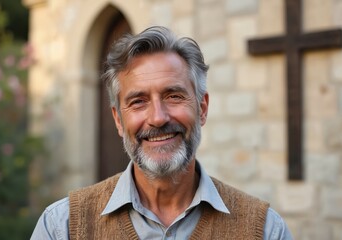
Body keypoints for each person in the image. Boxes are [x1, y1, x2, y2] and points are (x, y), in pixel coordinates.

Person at [31, 26, 293, 240]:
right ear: (118, 120)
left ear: (202, 108)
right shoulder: (62, 228)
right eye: (138, 102)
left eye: (174, 96)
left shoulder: (264, 231)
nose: (158, 118)